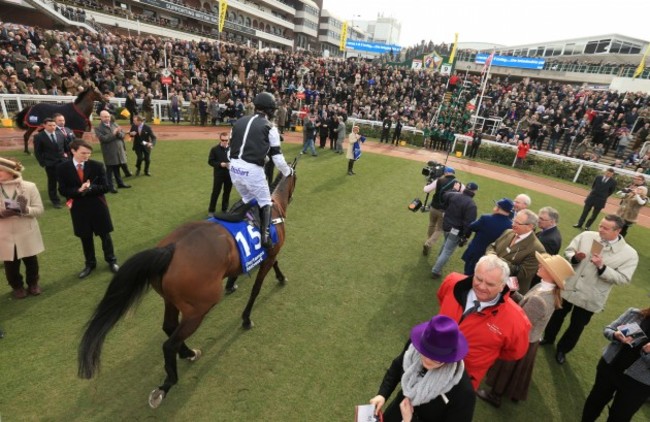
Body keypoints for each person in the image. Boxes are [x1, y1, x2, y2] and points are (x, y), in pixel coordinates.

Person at [477, 252, 574, 407]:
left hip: (522, 340)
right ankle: (513, 392)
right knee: (518, 371)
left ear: (551, 274)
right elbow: (525, 303)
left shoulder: (540, 298)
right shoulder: (544, 287)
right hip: (530, 339)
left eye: (544, 265)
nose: (540, 265)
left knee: (506, 368)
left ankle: (495, 395)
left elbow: (521, 322)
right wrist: (514, 293)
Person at [543, 215, 639, 365]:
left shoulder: (630, 254)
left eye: (605, 228)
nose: (600, 230)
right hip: (569, 286)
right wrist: (574, 257)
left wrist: (602, 267)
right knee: (557, 314)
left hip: (591, 296)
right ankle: (548, 338)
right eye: (600, 226)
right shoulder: (587, 236)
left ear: (618, 231)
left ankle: (563, 350)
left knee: (577, 325)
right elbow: (568, 251)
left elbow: (623, 278)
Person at [437, 254, 531, 389]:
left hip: (463, 378)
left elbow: (514, 352)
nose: (481, 286)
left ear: (502, 286)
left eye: (490, 284)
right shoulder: (452, 282)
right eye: (478, 279)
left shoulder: (517, 320)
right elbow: (443, 300)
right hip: (430, 356)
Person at [368, 315, 476, 422]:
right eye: (424, 352)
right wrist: (382, 394)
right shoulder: (414, 347)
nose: (427, 360)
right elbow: (398, 365)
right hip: (394, 414)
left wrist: (411, 420)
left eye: (436, 359)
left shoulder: (464, 393)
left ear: (450, 357)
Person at [228, 92, 292, 249]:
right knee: (266, 202)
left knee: (247, 197)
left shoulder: (238, 122)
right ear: (269, 110)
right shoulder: (270, 128)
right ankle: (265, 237)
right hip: (252, 171)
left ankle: (232, 216)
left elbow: (230, 152)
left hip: (234, 168)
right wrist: (287, 172)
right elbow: (277, 157)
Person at [57, 140, 120, 278]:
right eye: (83, 153)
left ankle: (111, 260)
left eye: (89, 153)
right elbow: (62, 189)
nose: (86, 156)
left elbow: (106, 187)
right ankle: (90, 264)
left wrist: (90, 188)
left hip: (98, 206)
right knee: (85, 237)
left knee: (105, 235)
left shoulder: (97, 166)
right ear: (73, 151)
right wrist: (78, 190)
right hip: (78, 208)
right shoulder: (63, 168)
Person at [581, 305, 650, 422]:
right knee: (594, 403)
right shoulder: (635, 314)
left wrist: (647, 353)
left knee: (620, 417)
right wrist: (615, 335)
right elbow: (608, 329)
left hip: (638, 384)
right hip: (609, 368)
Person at [0, 157, 45, 298]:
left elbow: (39, 210)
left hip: (26, 231)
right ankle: (17, 287)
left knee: (31, 260)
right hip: (4, 233)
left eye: (1, 170)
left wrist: (25, 210)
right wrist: (1, 214)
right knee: (10, 263)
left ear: (11, 171)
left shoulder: (29, 186)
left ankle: (33, 283)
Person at [486, 209, 546, 294]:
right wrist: (491, 255)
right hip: (490, 280)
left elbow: (523, 273)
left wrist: (496, 261)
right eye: (514, 220)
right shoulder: (508, 232)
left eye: (518, 223)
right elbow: (492, 246)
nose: (513, 224)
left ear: (530, 226)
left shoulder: (537, 249)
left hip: (508, 292)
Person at [431, 182, 478, 279]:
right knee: (447, 251)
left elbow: (444, 196)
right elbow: (469, 223)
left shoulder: (453, 195)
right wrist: (465, 236)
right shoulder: (471, 204)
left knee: (445, 246)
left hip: (446, 226)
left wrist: (454, 190)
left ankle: (438, 261)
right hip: (456, 230)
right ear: (474, 191)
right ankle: (436, 270)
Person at [461, 198, 513, 276]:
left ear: (498, 208)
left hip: (475, 253)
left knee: (467, 275)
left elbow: (471, 226)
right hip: (491, 258)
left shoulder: (486, 218)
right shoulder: (510, 226)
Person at [422, 167, 458, 257]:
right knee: (439, 229)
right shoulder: (458, 183)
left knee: (431, 224)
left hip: (433, 207)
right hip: (444, 210)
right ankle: (428, 243)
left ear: (446, 172)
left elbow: (426, 190)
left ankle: (428, 240)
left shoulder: (438, 180)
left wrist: (429, 183)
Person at [33, 117, 67, 208]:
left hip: (62, 162)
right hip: (50, 164)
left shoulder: (60, 134)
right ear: (44, 125)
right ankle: (55, 201)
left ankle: (68, 197)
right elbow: (37, 152)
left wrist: (67, 159)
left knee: (64, 181)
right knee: (52, 182)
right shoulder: (39, 137)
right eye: (50, 125)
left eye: (54, 125)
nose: (52, 127)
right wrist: (43, 162)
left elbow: (65, 148)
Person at [95, 110, 131, 193]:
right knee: (110, 170)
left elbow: (122, 135)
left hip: (118, 151)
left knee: (117, 167)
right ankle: (110, 187)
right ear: (100, 117)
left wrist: (118, 133)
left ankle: (120, 183)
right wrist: (114, 133)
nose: (107, 118)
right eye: (105, 117)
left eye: (108, 116)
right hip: (109, 152)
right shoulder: (98, 128)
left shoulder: (114, 124)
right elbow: (104, 139)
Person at [208, 132, 232, 217]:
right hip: (219, 174)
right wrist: (220, 164)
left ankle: (224, 209)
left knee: (227, 192)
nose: (225, 142)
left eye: (226, 140)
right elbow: (210, 161)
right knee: (216, 192)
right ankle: (211, 210)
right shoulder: (214, 149)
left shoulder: (231, 149)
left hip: (229, 175)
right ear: (220, 139)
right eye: (223, 140)